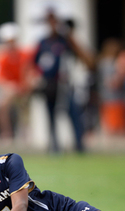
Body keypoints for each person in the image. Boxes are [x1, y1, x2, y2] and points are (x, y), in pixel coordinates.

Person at [32, 9, 95, 153]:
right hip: (50, 85)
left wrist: (70, 36)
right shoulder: (43, 42)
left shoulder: (65, 40)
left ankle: (79, 145)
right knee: (51, 116)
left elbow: (87, 59)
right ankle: (54, 146)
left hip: (66, 85)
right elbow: (34, 63)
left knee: (74, 113)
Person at [0, 22, 35, 144]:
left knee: (25, 108)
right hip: (11, 90)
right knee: (1, 104)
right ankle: (6, 134)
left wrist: (25, 85)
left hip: (24, 90)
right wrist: (11, 87)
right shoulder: (2, 57)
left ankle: (25, 136)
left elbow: (30, 73)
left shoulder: (25, 55)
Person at [97, 38, 125, 136]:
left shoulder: (101, 63)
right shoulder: (112, 64)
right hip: (115, 99)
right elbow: (114, 82)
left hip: (106, 98)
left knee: (109, 125)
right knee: (117, 127)